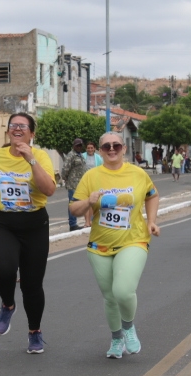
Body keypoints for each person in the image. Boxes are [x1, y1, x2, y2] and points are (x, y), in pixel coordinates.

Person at [0, 113, 57, 354]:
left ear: (32, 133)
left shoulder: (41, 157)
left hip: (34, 225)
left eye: (23, 126)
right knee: (2, 269)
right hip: (4, 222)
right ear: (8, 131)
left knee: (32, 284)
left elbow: (49, 189)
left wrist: (31, 160)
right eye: (13, 125)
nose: (17, 129)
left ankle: (35, 332)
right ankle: (7, 305)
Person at [69, 132, 160, 358]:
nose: (112, 149)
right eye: (107, 146)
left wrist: (151, 221)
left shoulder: (137, 173)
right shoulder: (91, 176)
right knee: (110, 297)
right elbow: (74, 208)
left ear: (124, 149)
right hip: (99, 246)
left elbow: (152, 195)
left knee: (123, 291)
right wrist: (88, 201)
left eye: (116, 145)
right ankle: (117, 338)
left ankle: (128, 327)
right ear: (100, 151)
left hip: (133, 240)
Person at [62, 138, 87, 232]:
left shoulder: (81, 155)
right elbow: (65, 169)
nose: (79, 147)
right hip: (73, 184)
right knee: (73, 204)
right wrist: (66, 179)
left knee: (79, 203)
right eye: (77, 145)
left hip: (80, 184)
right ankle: (72, 224)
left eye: (80, 145)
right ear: (74, 146)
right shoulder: (71, 155)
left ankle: (77, 223)